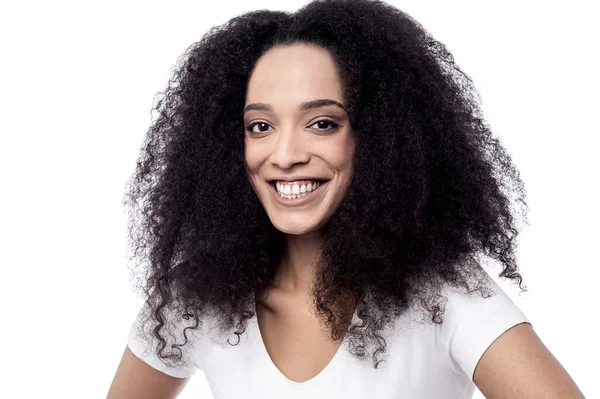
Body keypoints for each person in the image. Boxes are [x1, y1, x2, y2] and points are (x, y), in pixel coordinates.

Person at [107, 0, 585, 398]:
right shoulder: (193, 301)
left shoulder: (446, 296)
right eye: (260, 126)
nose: (286, 154)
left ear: (380, 138)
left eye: (323, 123)